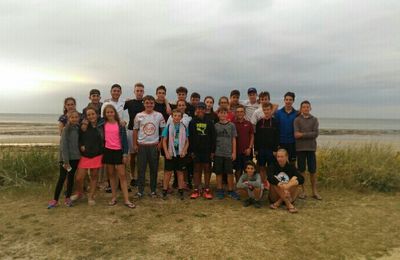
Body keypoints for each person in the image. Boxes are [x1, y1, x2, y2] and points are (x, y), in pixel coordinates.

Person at [102, 104, 135, 208]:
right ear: (105, 114)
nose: (110, 114)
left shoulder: (120, 125)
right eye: (107, 112)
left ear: (114, 113)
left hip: (118, 151)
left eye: (111, 112)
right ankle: (114, 197)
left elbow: (124, 141)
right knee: (111, 175)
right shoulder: (102, 124)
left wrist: (125, 154)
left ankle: (126, 200)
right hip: (108, 151)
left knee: (122, 175)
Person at [133, 95, 166, 198]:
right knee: (141, 169)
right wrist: (134, 144)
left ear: (154, 104)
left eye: (151, 103)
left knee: (154, 169)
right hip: (142, 146)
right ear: (144, 103)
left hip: (154, 146)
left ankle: (153, 190)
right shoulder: (138, 115)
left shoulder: (159, 115)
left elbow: (163, 130)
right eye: (147, 103)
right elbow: (135, 130)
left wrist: (160, 143)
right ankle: (140, 191)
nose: (149, 105)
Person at [71, 106, 104, 205]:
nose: (91, 116)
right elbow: (79, 138)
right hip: (85, 155)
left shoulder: (101, 125)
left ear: (97, 115)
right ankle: (79, 193)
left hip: (97, 155)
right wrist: (81, 146)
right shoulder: (83, 126)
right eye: (88, 115)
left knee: (94, 176)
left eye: (93, 114)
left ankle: (91, 197)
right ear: (86, 116)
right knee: (79, 177)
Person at [48, 110, 81, 208]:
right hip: (65, 159)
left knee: (71, 178)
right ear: (68, 118)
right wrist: (66, 161)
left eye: (76, 117)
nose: (74, 119)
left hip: (75, 158)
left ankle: (68, 198)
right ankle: (55, 200)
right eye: (72, 117)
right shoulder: (66, 129)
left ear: (78, 118)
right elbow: (64, 146)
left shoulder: (78, 128)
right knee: (62, 178)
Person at [294, 101, 322, 200]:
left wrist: (302, 134)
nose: (306, 109)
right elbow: (296, 134)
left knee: (312, 171)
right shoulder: (297, 120)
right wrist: (307, 134)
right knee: (301, 171)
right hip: (300, 148)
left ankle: (314, 191)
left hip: (311, 148)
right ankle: (303, 191)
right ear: (301, 109)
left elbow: (315, 134)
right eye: (304, 107)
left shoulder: (314, 120)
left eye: (307, 107)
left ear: (310, 108)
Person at [189, 102, 216, 199]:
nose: (200, 110)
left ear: (205, 110)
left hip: (207, 150)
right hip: (196, 150)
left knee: (207, 169)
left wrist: (213, 151)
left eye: (202, 108)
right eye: (198, 108)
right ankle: (196, 189)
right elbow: (190, 137)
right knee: (197, 169)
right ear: (196, 110)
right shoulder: (192, 122)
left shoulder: (209, 122)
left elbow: (213, 137)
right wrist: (191, 151)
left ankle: (207, 189)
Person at [161, 109, 190, 200]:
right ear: (172, 116)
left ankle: (180, 190)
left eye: (179, 116)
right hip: (170, 153)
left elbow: (187, 141)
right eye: (175, 115)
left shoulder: (184, 127)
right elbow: (164, 141)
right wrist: (166, 152)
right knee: (168, 172)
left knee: (180, 172)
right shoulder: (168, 126)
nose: (177, 117)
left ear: (181, 117)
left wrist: (184, 150)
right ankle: (165, 189)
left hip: (180, 154)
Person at [214, 107, 240, 200]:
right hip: (218, 153)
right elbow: (213, 139)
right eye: (221, 113)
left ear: (227, 114)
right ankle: (219, 189)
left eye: (225, 113)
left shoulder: (231, 125)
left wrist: (234, 152)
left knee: (229, 172)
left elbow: (233, 139)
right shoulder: (215, 125)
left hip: (228, 153)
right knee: (219, 172)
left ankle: (230, 190)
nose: (223, 114)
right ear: (218, 114)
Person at [267, 149, 304, 213]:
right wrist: (280, 184)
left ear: (286, 157)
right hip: (275, 197)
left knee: (295, 181)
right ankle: (288, 204)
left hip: (289, 195)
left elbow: (301, 179)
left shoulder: (291, 167)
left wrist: (288, 186)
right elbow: (269, 177)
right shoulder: (272, 166)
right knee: (274, 183)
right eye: (278, 157)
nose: (279, 159)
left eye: (282, 157)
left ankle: (279, 202)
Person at [124, 83, 145, 187]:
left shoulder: (147, 102)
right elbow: (116, 108)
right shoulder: (129, 103)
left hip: (144, 132)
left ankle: (141, 177)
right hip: (131, 130)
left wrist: (167, 102)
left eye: (141, 91)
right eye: (137, 90)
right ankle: (133, 177)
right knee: (132, 156)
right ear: (134, 91)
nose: (139, 92)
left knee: (142, 156)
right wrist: (106, 102)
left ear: (143, 92)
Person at [254, 103, 280, 188]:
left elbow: (277, 136)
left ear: (271, 110)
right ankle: (263, 183)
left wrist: (275, 150)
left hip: (271, 150)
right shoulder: (259, 122)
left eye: (268, 109)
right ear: (263, 110)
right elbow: (256, 136)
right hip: (261, 149)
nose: (266, 111)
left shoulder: (275, 122)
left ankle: (271, 183)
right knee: (261, 167)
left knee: (270, 168)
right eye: (264, 110)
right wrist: (256, 149)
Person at [274, 92, 298, 163]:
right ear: (284, 100)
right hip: (281, 142)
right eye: (286, 99)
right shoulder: (278, 113)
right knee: (280, 162)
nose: (288, 101)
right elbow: (276, 129)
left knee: (292, 162)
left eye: (290, 100)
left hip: (292, 142)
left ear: (293, 101)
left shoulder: (296, 113)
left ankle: (292, 174)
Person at [233, 104, 254, 182]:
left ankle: (247, 185)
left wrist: (250, 147)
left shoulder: (248, 123)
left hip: (247, 151)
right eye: (238, 112)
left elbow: (252, 136)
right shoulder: (232, 124)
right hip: (237, 151)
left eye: (241, 111)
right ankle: (239, 185)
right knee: (238, 170)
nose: (239, 113)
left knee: (248, 170)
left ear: (244, 113)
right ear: (235, 113)